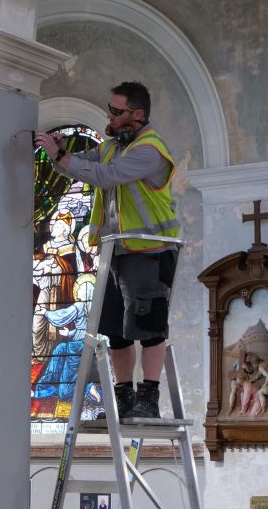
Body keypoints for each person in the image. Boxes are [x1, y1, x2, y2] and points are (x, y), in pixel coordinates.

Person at [35, 81, 180, 419]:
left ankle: (148, 400)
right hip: (117, 250)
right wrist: (58, 150)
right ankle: (124, 396)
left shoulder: (149, 150)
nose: (109, 116)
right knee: (115, 328)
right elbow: (80, 163)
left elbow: (105, 176)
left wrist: (62, 157)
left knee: (149, 325)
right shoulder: (114, 147)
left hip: (150, 249)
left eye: (116, 111)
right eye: (110, 109)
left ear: (137, 114)